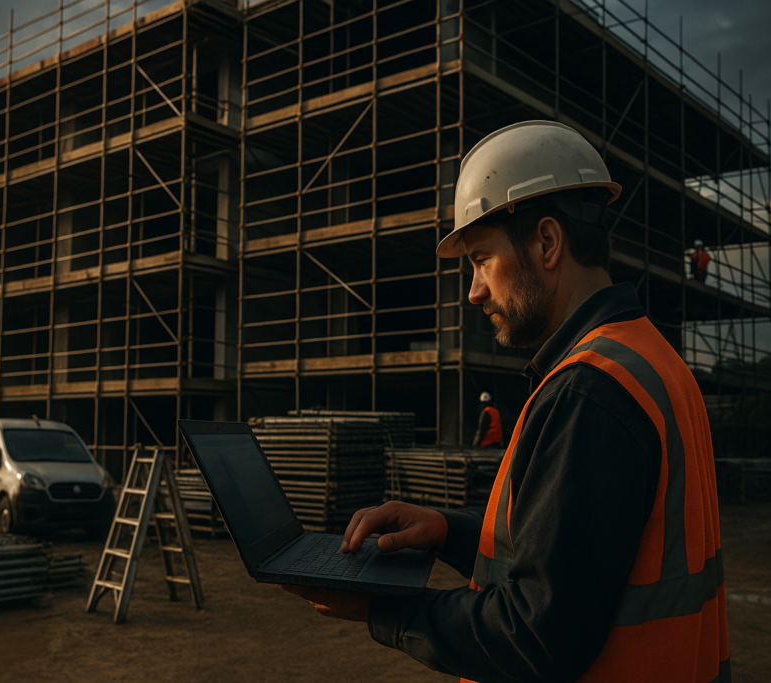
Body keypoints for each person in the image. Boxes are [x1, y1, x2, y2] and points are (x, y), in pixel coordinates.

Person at [280, 121, 728, 683]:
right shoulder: (649, 358)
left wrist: (376, 607)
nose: (473, 290)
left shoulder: (590, 392)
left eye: (481, 259)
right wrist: (446, 529)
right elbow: (575, 563)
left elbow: (538, 633)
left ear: (546, 242)